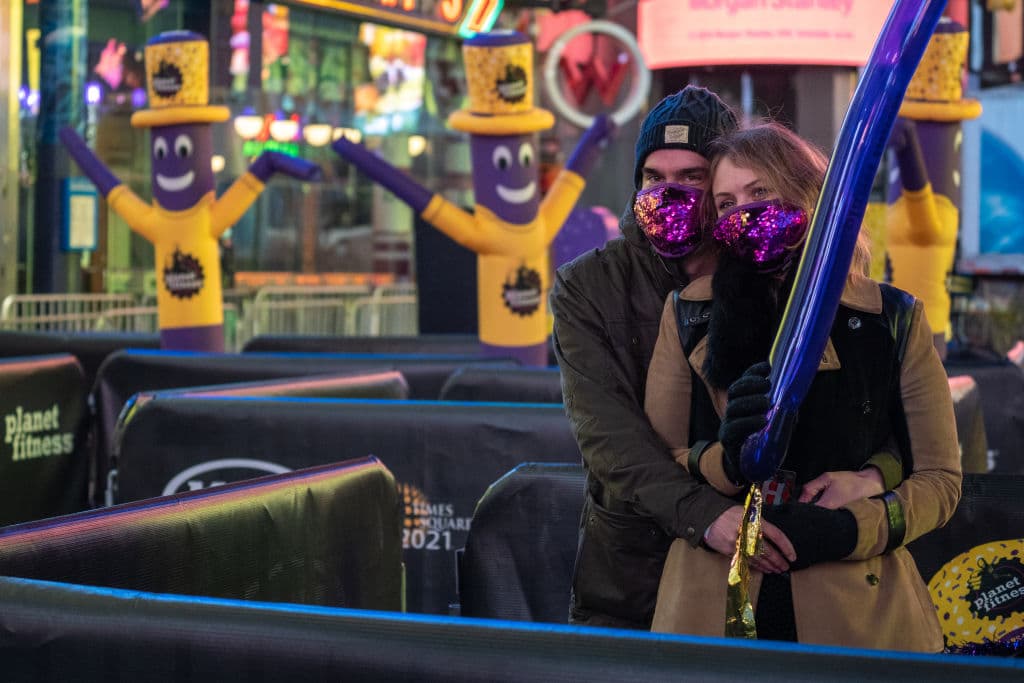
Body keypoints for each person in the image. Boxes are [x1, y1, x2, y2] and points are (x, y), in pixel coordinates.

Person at [644, 121, 961, 651]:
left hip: (858, 614)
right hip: (710, 610)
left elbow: (941, 480)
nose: (743, 211)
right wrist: (726, 462)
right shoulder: (689, 314)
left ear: (808, 196)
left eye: (760, 192)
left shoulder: (892, 318)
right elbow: (659, 459)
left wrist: (851, 527)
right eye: (725, 202)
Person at [550, 86, 740, 629]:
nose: (668, 192)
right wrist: (705, 515)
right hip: (631, 566)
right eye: (654, 178)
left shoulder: (764, 271)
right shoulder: (587, 283)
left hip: (748, 556)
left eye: (691, 177)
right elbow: (608, 436)